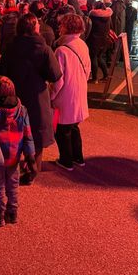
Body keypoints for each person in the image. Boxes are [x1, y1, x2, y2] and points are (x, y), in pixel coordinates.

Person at [2, 13, 62, 172]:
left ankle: (15, 167)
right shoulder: (43, 48)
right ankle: (33, 168)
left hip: (15, 95)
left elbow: (3, 70)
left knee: (16, 131)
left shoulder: (10, 46)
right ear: (34, 27)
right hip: (37, 96)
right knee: (37, 133)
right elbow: (55, 75)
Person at [0, 76, 35, 227]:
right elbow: (28, 134)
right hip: (15, 155)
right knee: (13, 185)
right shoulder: (21, 110)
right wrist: (30, 156)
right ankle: (12, 212)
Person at [51, 14, 91, 171]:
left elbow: (58, 80)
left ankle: (66, 160)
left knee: (62, 130)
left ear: (66, 27)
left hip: (65, 96)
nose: (59, 27)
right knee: (74, 127)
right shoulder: (82, 44)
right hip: (79, 91)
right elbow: (87, 71)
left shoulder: (61, 50)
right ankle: (78, 157)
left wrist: (51, 96)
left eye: (61, 25)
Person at [87, 1, 113, 83]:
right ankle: (106, 75)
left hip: (94, 39)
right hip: (104, 40)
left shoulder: (93, 15)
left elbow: (89, 27)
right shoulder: (108, 16)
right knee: (99, 57)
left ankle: (95, 78)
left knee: (93, 57)